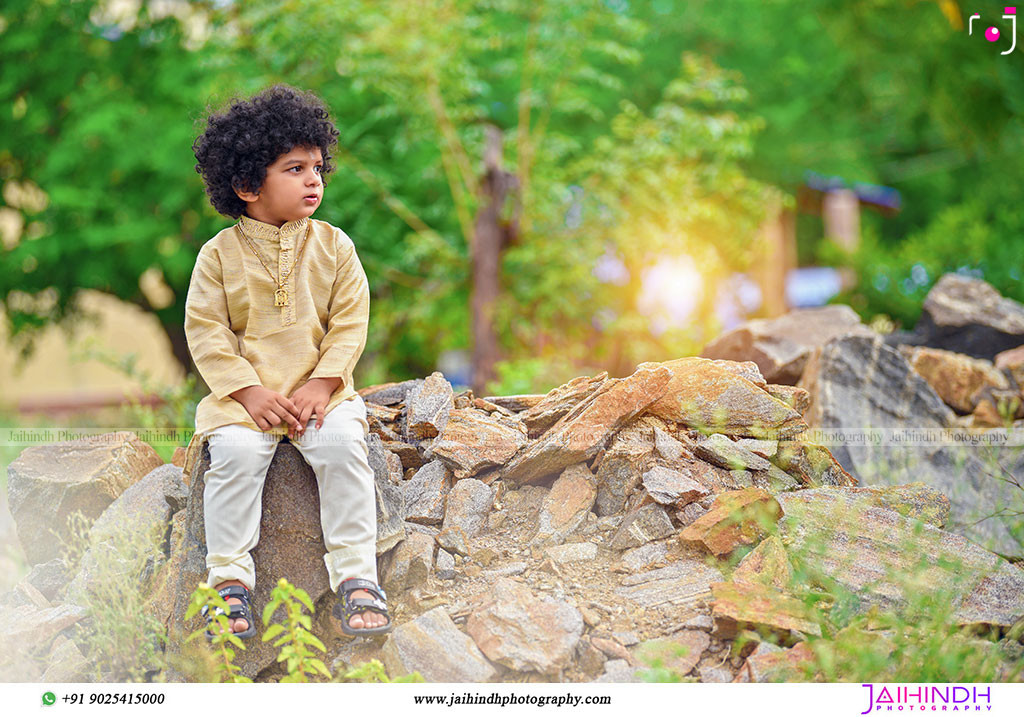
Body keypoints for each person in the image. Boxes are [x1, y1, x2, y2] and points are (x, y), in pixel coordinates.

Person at [184, 84, 390, 637]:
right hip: (245, 402)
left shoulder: (334, 246)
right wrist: (247, 393)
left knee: (344, 446)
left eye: (318, 167)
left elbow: (350, 321)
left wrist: (324, 384)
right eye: (294, 168)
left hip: (322, 397)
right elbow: (205, 331)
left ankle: (357, 577)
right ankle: (228, 583)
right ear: (248, 183)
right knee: (232, 457)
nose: (314, 179)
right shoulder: (218, 256)